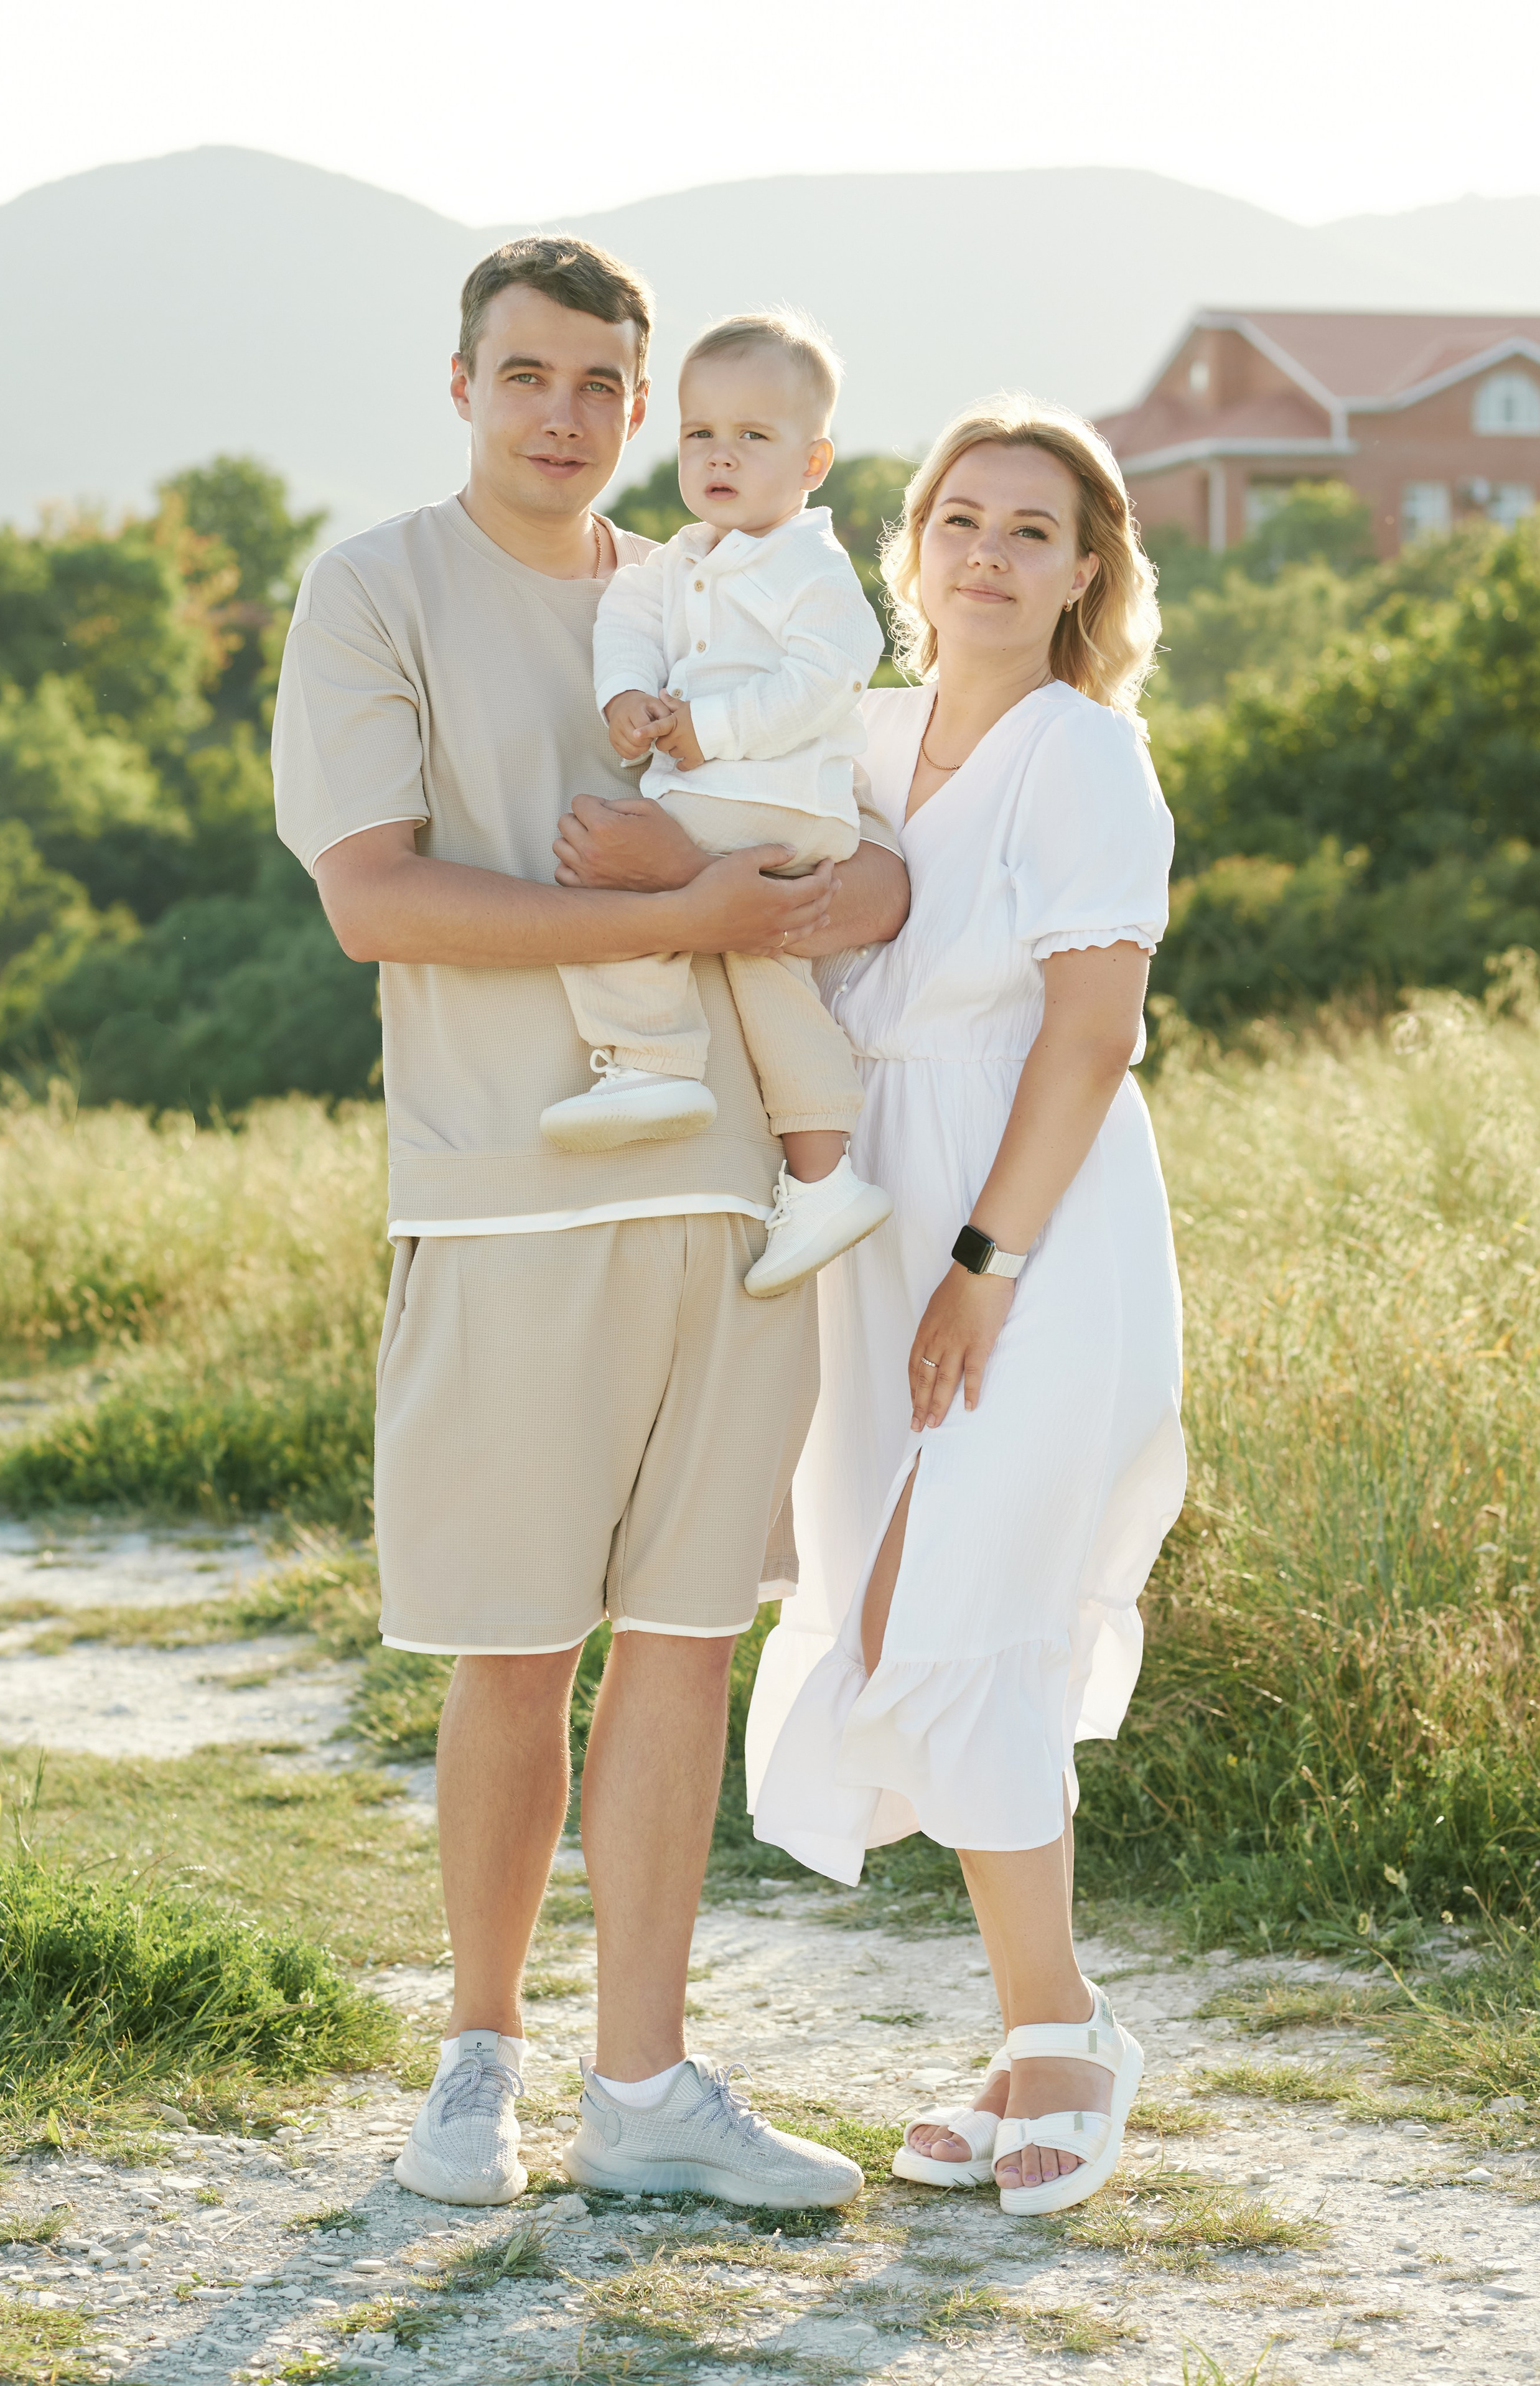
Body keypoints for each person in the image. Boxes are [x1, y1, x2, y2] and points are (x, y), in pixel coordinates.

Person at [271, 234, 908, 2211]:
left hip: (740, 1194)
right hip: (506, 1191)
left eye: (599, 386)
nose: (566, 415)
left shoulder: (719, 583)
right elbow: (377, 897)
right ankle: (479, 2065)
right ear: (459, 381)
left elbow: (872, 856)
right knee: (512, 1645)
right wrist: (679, 919)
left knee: (689, 1640)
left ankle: (647, 2081)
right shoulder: (376, 585)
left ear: (646, 406)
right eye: (527, 375)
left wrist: (832, 898)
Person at [745, 396, 1186, 2217]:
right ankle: (1032, 2030)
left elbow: (1090, 1032)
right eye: (962, 519)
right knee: (899, 1603)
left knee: (966, 1604)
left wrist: (986, 1267)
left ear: (1086, 573)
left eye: (1033, 529)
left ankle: (1063, 2028)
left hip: (1036, 1214)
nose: (990, 554)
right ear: (910, 544)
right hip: (875, 1208)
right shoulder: (851, 736)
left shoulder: (1086, 754)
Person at [543, 310, 890, 1299]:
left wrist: (711, 731)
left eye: (753, 436)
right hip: (737, 794)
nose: (720, 456)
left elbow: (831, 674)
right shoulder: (674, 562)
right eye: (701, 434)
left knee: (609, 867)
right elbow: (626, 624)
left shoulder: (808, 567)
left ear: (813, 459)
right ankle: (825, 1179)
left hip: (773, 794)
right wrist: (625, 702)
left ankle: (653, 1058)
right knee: (766, 977)